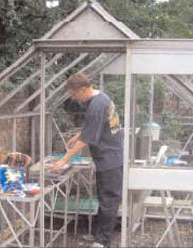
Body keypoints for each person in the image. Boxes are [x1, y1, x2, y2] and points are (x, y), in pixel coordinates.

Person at [51, 73, 123, 248]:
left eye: (75, 94)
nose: (74, 98)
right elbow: (94, 124)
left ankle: (102, 241)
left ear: (83, 89)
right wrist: (78, 134)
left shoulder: (96, 106)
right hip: (108, 157)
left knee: (109, 201)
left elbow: (86, 140)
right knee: (104, 199)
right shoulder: (101, 98)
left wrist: (63, 161)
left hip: (110, 160)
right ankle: (99, 235)